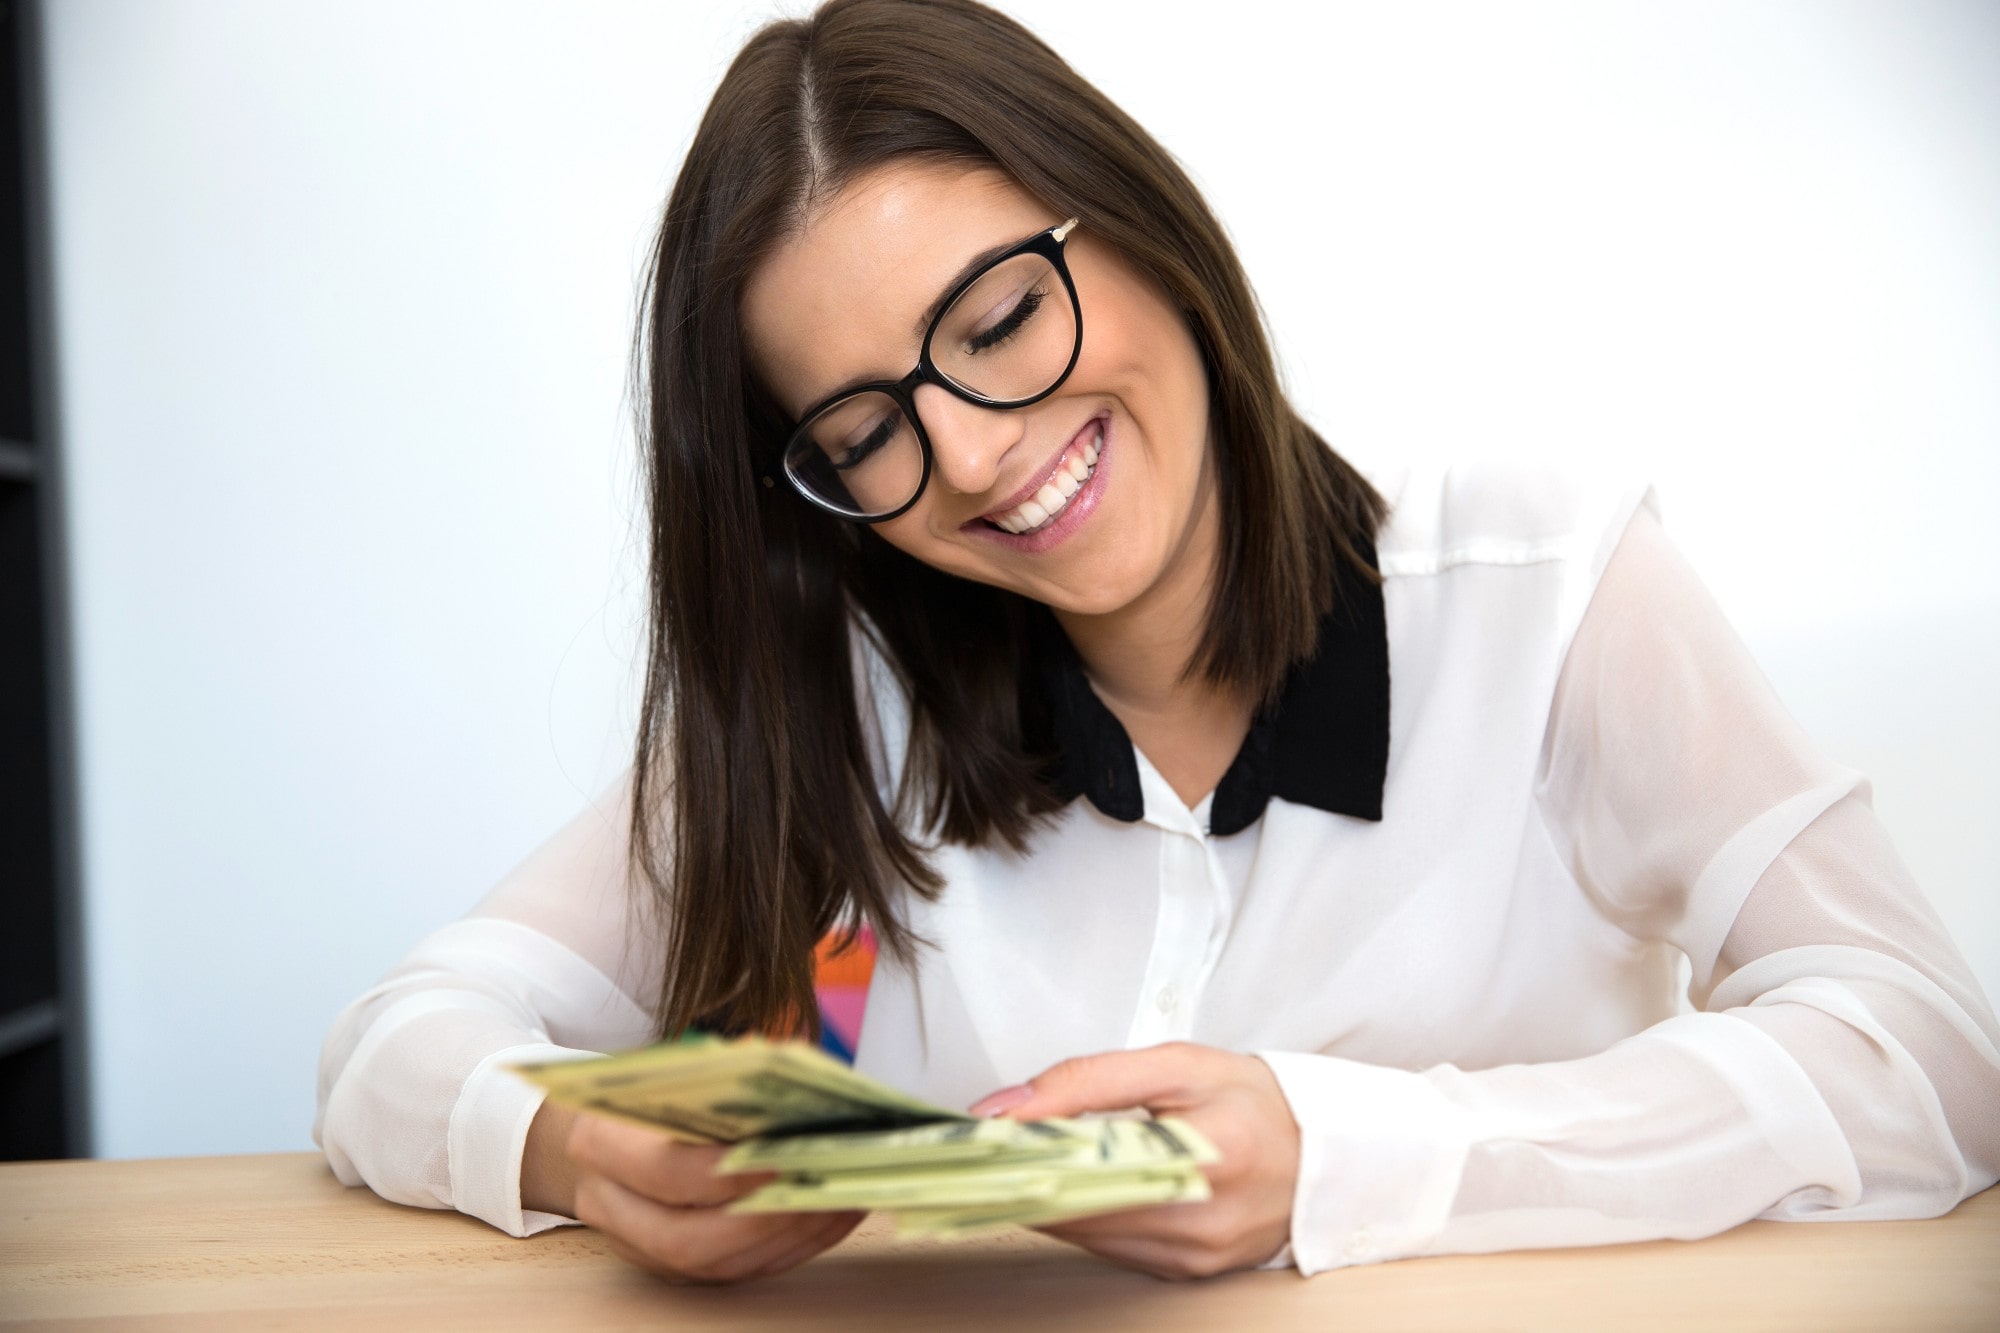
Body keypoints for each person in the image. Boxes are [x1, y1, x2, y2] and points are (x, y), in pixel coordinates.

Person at [314, 0, 2000, 1284]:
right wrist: (581, 1142)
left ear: (1134, 223)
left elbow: (1927, 1051)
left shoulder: (1538, 588)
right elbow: (406, 1034)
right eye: (862, 434)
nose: (972, 456)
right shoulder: (846, 704)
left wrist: (1344, 1151)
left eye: (998, 322)